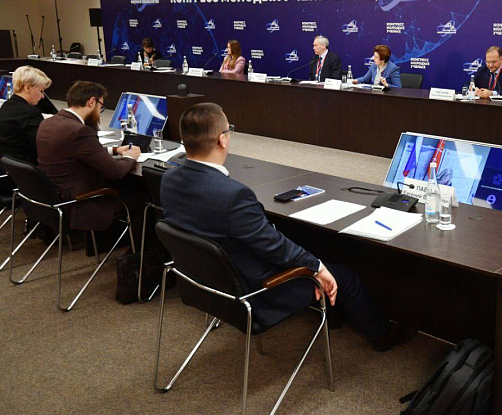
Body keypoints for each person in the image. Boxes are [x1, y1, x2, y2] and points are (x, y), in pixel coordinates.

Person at [160, 103, 416, 351]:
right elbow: (272, 247)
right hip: (256, 291)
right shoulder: (233, 195)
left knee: (297, 241)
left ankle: (333, 315)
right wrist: (317, 268)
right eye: (230, 130)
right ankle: (383, 336)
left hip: (205, 284)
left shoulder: (169, 178)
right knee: (346, 277)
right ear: (222, 139)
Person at [36, 81, 142, 234]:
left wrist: (115, 150)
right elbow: (116, 171)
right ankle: (138, 247)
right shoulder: (79, 131)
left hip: (55, 199)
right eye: (101, 107)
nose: (99, 113)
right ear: (92, 102)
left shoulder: (48, 123)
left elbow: (80, 150)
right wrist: (130, 158)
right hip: (82, 202)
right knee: (143, 195)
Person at [0, 66, 52, 164]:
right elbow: (43, 146)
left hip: (8, 163)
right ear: (27, 88)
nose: (42, 96)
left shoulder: (6, 106)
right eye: (41, 91)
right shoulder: (30, 113)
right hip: (27, 165)